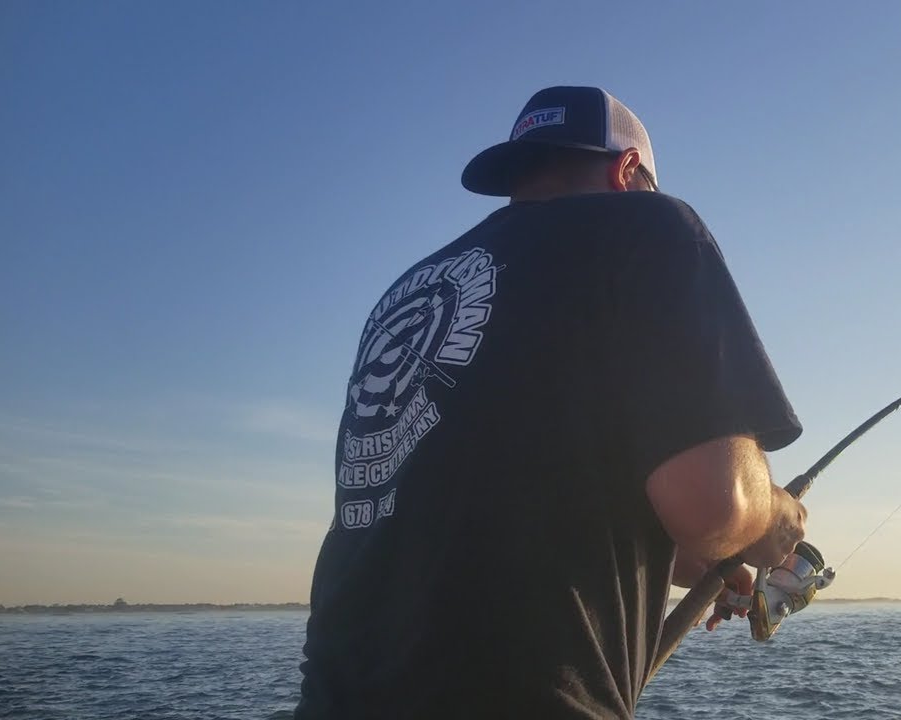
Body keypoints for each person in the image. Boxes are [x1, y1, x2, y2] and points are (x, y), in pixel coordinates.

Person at [296, 86, 806, 719]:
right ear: (628, 172)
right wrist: (772, 518)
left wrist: (706, 559)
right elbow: (714, 503)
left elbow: (478, 516)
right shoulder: (650, 225)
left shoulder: (406, 293)